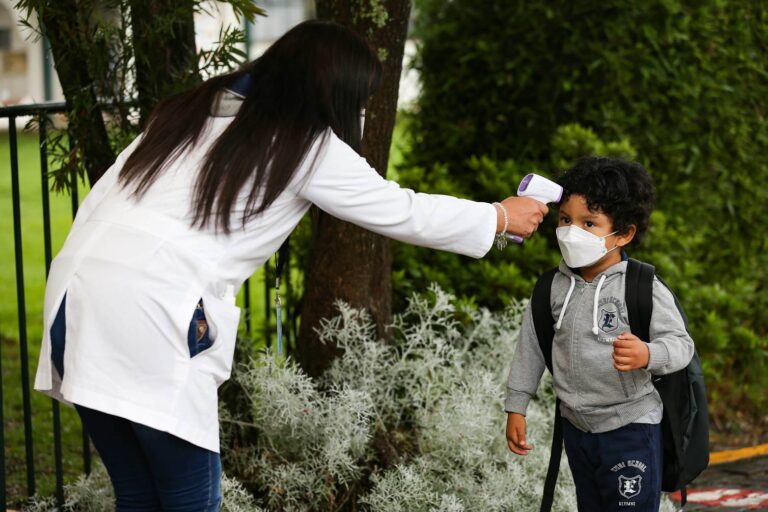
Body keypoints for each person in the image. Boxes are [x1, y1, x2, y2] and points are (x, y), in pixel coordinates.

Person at [34, 20, 547, 511]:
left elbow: (102, 201)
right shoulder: (305, 141)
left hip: (76, 289)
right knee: (192, 498)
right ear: (336, 92)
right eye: (361, 99)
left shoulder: (187, 112)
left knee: (139, 494)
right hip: (152, 302)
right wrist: (500, 216)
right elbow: (401, 210)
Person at [504, 157, 694, 511]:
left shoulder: (641, 286)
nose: (570, 231)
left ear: (623, 234)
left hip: (631, 427)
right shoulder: (551, 287)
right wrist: (516, 406)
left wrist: (648, 354)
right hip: (578, 430)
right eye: (565, 220)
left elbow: (681, 345)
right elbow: (530, 348)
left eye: (588, 223)